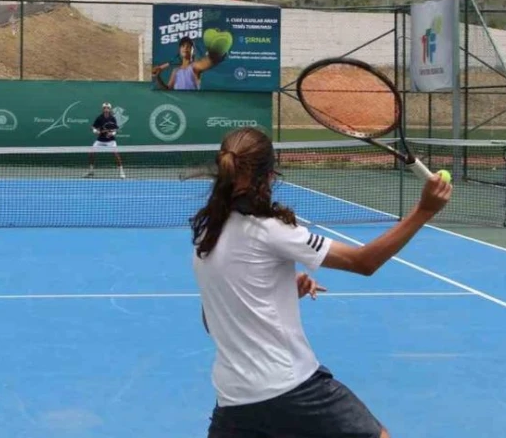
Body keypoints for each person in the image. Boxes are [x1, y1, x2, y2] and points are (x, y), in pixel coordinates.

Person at [191, 127, 453, 438]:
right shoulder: (271, 231)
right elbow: (363, 262)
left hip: (235, 399)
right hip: (290, 386)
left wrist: (278, 292)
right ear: (270, 175)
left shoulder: (207, 235)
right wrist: (423, 210)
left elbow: (214, 320)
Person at [152, 36, 223, 90]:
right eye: (183, 46)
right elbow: (167, 90)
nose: (185, 48)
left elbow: (208, 62)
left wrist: (216, 53)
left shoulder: (195, 66)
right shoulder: (175, 71)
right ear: (179, 50)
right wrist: (157, 77)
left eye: (188, 46)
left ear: (193, 51)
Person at [86, 102, 125, 179]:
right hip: (100, 140)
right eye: (104, 108)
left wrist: (112, 134)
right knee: (91, 153)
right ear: (103, 109)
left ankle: (121, 172)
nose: (106, 109)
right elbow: (93, 127)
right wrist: (95, 131)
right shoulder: (99, 118)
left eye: (107, 108)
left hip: (111, 141)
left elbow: (115, 129)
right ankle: (91, 171)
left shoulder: (112, 118)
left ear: (110, 109)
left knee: (116, 154)